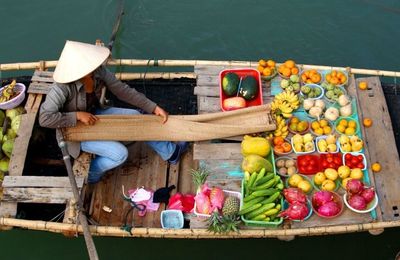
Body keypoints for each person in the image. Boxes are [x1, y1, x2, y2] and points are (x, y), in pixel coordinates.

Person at [39, 40, 188, 184]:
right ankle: (92, 175)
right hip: (74, 134)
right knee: (120, 154)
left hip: (95, 116)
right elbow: (45, 118)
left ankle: (171, 153)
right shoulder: (61, 88)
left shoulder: (98, 71)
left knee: (137, 118)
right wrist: (76, 115)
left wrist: (153, 107)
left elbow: (122, 90)